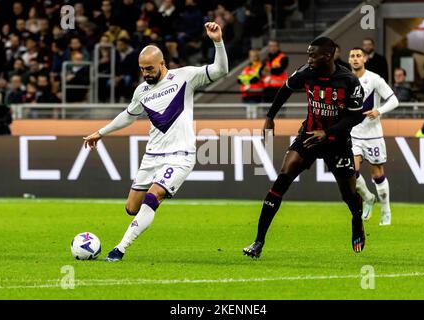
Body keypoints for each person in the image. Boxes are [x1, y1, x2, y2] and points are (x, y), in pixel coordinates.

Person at [83, 22, 228, 262]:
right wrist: (101, 132)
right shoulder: (142, 90)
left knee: (153, 197)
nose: (146, 73)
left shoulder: (185, 77)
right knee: (132, 208)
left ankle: (119, 249)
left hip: (180, 155)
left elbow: (221, 70)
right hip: (152, 156)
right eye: (142, 69)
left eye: (149, 68)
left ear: (162, 63)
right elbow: (128, 116)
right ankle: (142, 216)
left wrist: (217, 41)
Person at [243, 37, 366, 258]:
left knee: (349, 194)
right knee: (283, 177)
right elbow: (285, 88)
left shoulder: (348, 81)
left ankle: (357, 220)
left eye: (312, 54)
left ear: (327, 56)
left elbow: (356, 117)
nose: (308, 58)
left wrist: (327, 133)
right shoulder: (306, 72)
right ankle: (258, 242)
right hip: (308, 136)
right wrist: (270, 117)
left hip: (337, 142)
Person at [348, 48, 399, 226]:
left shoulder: (375, 79)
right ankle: (368, 198)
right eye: (352, 56)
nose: (355, 59)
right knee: (349, 173)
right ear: (349, 60)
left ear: (365, 59)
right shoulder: (346, 79)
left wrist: (379, 111)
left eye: (358, 56)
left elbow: (394, 100)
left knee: (377, 174)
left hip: (373, 135)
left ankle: (386, 212)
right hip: (353, 134)